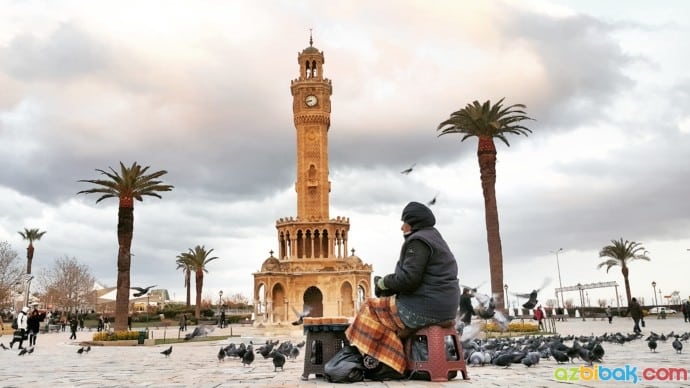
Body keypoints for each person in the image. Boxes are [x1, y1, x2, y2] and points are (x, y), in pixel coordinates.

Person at [345, 201, 460, 378]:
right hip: (444, 307)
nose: (401, 227)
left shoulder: (418, 241)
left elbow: (409, 279)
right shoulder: (435, 238)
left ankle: (390, 364)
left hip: (424, 308)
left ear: (413, 223)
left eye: (404, 222)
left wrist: (384, 283)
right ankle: (400, 359)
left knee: (369, 307)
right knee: (391, 319)